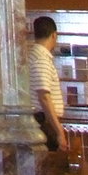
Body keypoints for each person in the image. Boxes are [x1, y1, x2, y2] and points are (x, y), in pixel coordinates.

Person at [26, 16, 65, 152]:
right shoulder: (41, 58)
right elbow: (44, 97)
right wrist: (59, 131)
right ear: (54, 35)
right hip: (43, 122)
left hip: (44, 120)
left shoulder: (35, 55)